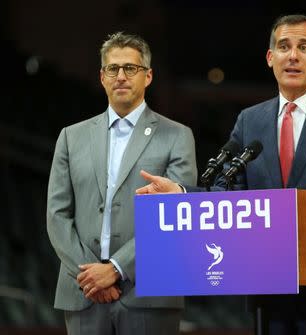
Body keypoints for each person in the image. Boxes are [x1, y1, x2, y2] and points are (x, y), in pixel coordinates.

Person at [136, 14, 306, 335]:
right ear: (270, 58)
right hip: (270, 297)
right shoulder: (250, 121)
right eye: (284, 47)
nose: (293, 55)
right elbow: (230, 195)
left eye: (303, 47)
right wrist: (181, 194)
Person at [46, 32, 197, 335]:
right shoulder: (70, 137)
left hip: (149, 292)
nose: (121, 76)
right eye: (113, 69)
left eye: (131, 68)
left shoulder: (177, 136)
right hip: (83, 291)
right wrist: (89, 276)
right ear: (102, 77)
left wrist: (115, 269)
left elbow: (176, 217)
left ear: (148, 76)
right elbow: (57, 216)